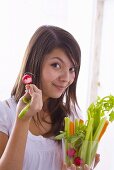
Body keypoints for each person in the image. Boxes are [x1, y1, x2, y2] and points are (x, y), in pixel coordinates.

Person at [0, 25, 100, 170]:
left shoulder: (72, 117)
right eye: (56, 65)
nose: (66, 78)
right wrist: (23, 120)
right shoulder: (5, 114)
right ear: (35, 63)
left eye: (72, 69)